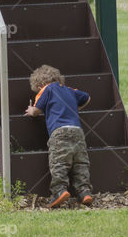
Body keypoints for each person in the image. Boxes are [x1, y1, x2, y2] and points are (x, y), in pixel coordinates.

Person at [24, 64, 93, 208]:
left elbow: (36, 111)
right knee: (80, 163)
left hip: (59, 132)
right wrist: (74, 107)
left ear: (40, 84)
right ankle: (84, 192)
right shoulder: (69, 90)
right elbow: (87, 97)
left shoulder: (47, 89)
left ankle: (59, 191)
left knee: (59, 163)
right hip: (77, 131)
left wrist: (31, 110)